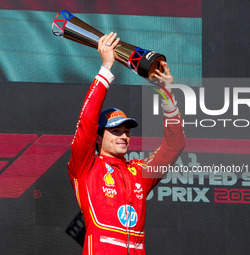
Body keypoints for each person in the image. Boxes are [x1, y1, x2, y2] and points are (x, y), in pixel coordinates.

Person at [68, 32, 185, 255]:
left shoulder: (139, 172)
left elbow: (175, 144)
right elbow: (87, 123)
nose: (124, 136)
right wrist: (106, 68)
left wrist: (166, 92)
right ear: (99, 137)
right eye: (116, 130)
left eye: (126, 131)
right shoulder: (85, 168)